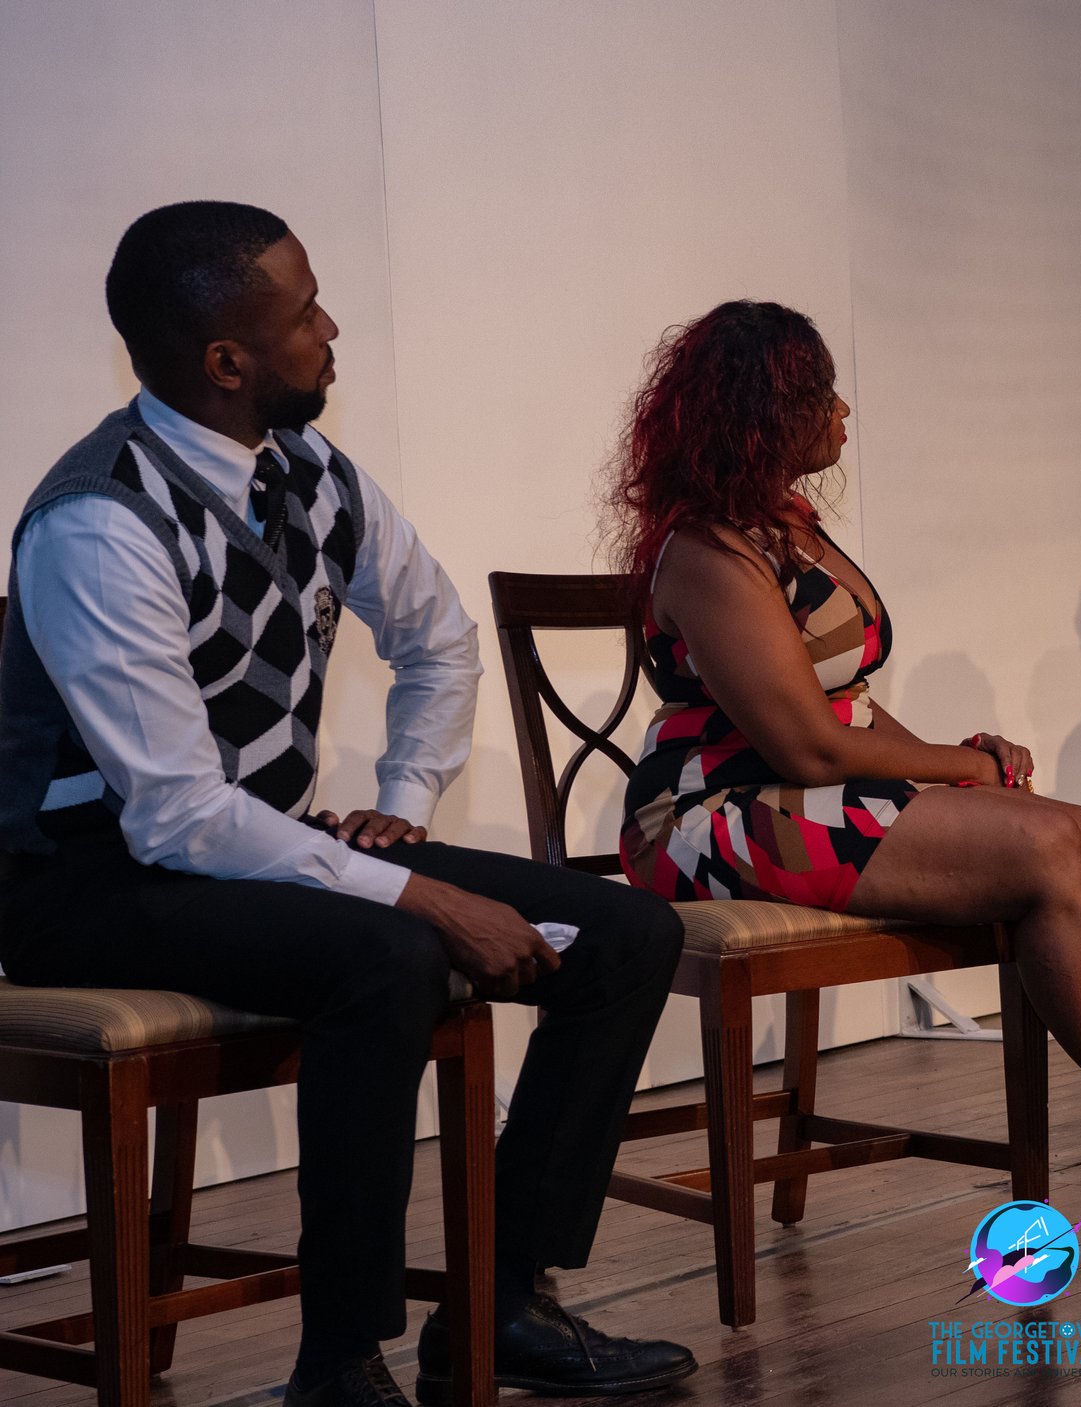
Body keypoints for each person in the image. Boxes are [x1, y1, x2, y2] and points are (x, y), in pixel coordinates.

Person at [0, 203, 694, 1407]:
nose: (331, 330)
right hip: (81, 879)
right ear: (227, 361)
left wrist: (404, 802)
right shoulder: (98, 522)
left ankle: (501, 1304)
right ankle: (338, 1363)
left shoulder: (313, 473)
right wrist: (424, 895)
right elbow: (172, 816)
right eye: (305, 311)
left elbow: (439, 639)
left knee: (627, 933)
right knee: (387, 956)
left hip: (231, 851)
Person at [609, 299, 1081, 1268]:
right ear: (765, 412)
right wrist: (959, 768)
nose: (844, 415)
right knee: (1047, 847)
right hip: (707, 821)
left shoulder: (786, 526)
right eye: (821, 396)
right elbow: (806, 747)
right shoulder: (709, 551)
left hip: (798, 799)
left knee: (1073, 833)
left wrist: (946, 760)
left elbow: (847, 707)